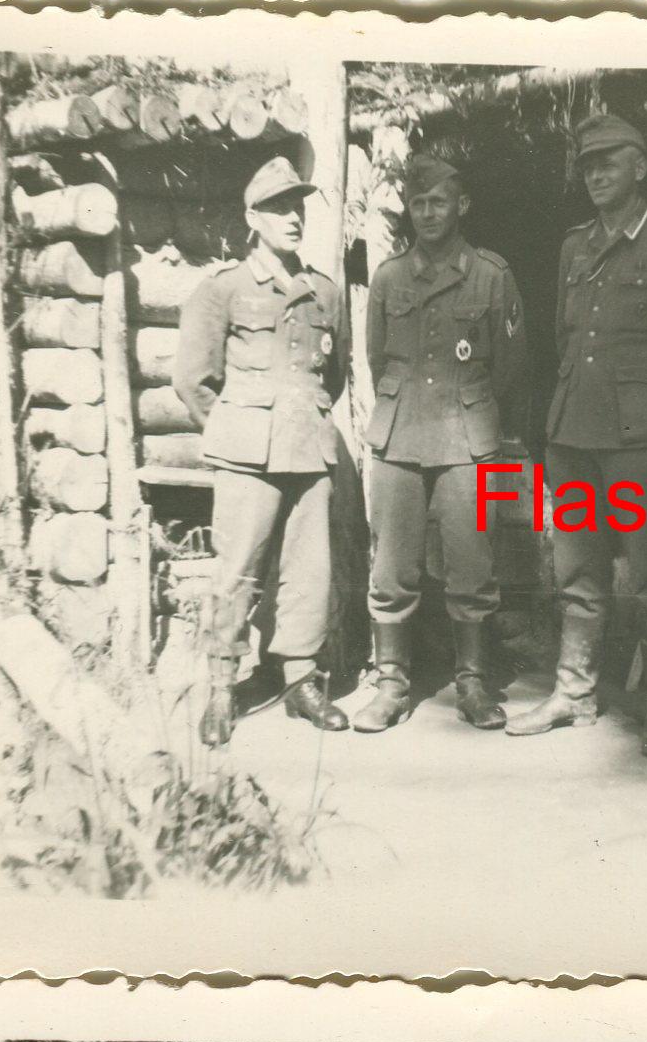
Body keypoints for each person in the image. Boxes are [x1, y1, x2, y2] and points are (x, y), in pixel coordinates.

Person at [508, 113, 647, 759]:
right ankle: (573, 693)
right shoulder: (573, 247)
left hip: (641, 439)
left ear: (639, 167)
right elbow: (562, 338)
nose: (596, 173)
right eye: (587, 165)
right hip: (573, 431)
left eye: (609, 161)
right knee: (576, 569)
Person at [356, 138, 528, 736]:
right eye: (418, 202)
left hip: (466, 438)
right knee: (392, 566)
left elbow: (509, 366)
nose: (428, 212)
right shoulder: (387, 277)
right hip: (400, 434)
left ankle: (473, 684)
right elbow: (378, 358)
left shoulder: (491, 275)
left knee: (472, 566)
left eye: (439, 202)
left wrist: (470, 404)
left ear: (463, 205)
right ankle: (390, 685)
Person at [173, 156, 349, 738]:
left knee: (308, 569)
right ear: (253, 218)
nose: (293, 217)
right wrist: (235, 430)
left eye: (297, 206)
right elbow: (194, 379)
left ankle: (300, 680)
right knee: (238, 570)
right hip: (247, 452)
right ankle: (222, 685)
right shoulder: (223, 288)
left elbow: (334, 372)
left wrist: (302, 416)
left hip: (309, 444)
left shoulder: (323, 289)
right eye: (278, 208)